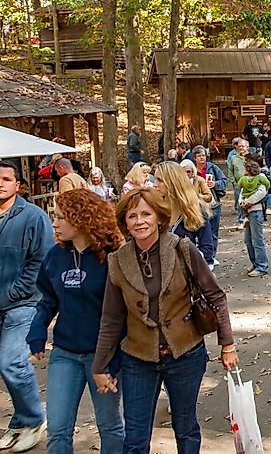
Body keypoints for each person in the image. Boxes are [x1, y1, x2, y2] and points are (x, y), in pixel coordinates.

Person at [92, 188, 238, 454]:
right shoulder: (117, 261)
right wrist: (100, 366)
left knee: (185, 428)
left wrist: (227, 344)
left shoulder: (182, 247)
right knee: (135, 437)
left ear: (159, 217)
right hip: (138, 358)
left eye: (146, 214)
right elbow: (111, 319)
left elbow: (216, 296)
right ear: (124, 222)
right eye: (132, 216)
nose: (140, 221)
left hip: (184, 354)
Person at [27, 189, 125, 453]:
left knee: (110, 426)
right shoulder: (55, 256)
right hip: (65, 353)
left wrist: (112, 364)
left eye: (60, 218)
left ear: (82, 219)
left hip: (102, 356)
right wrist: (37, 330)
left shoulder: (113, 256)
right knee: (57, 429)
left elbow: (125, 315)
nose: (54, 224)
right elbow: (48, 298)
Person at [0, 160, 51, 451]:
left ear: (18, 185)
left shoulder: (33, 217)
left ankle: (32, 418)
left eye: (7, 179)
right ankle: (20, 419)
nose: (1, 183)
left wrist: (15, 291)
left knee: (11, 360)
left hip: (24, 303)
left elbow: (41, 261)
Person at [154, 162, 214, 266]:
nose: (154, 184)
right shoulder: (153, 208)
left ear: (173, 182)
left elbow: (206, 248)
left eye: (160, 180)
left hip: (185, 274)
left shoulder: (195, 208)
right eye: (155, 179)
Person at [192, 145, 227, 266]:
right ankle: (201, 256)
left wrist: (215, 184)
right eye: (199, 156)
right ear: (194, 158)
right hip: (196, 204)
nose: (202, 158)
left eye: (203, 155)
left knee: (213, 231)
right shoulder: (191, 170)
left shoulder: (213, 168)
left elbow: (224, 181)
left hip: (213, 203)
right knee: (199, 232)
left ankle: (211, 255)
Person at [238, 156, 271, 276]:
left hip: (256, 211)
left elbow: (262, 192)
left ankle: (262, 266)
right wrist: (241, 202)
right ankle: (255, 262)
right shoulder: (245, 180)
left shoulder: (260, 178)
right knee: (248, 240)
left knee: (257, 239)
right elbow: (241, 192)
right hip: (246, 211)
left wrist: (249, 202)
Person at [227, 139, 249, 228]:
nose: (241, 148)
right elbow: (230, 170)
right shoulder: (233, 158)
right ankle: (241, 220)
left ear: (247, 147)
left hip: (250, 183)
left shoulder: (250, 157)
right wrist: (233, 182)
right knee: (240, 202)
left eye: (243, 146)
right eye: (240, 146)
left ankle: (249, 218)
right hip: (238, 184)